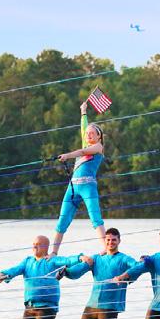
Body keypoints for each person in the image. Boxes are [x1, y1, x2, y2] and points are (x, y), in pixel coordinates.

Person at [64, 228, 137, 319]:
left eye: (114, 240)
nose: (110, 242)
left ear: (119, 241)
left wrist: (124, 276)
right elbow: (77, 272)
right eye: (108, 240)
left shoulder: (124, 259)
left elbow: (137, 267)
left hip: (110, 307)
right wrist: (65, 271)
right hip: (91, 306)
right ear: (105, 240)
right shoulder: (96, 258)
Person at [52, 101, 106, 255]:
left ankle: (106, 249)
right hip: (73, 188)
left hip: (88, 187)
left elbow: (82, 152)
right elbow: (83, 128)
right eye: (87, 134)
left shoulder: (98, 147)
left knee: (95, 218)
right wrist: (83, 111)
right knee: (62, 220)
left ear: (99, 136)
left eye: (92, 133)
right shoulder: (86, 142)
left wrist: (67, 156)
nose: (88, 135)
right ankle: (54, 252)